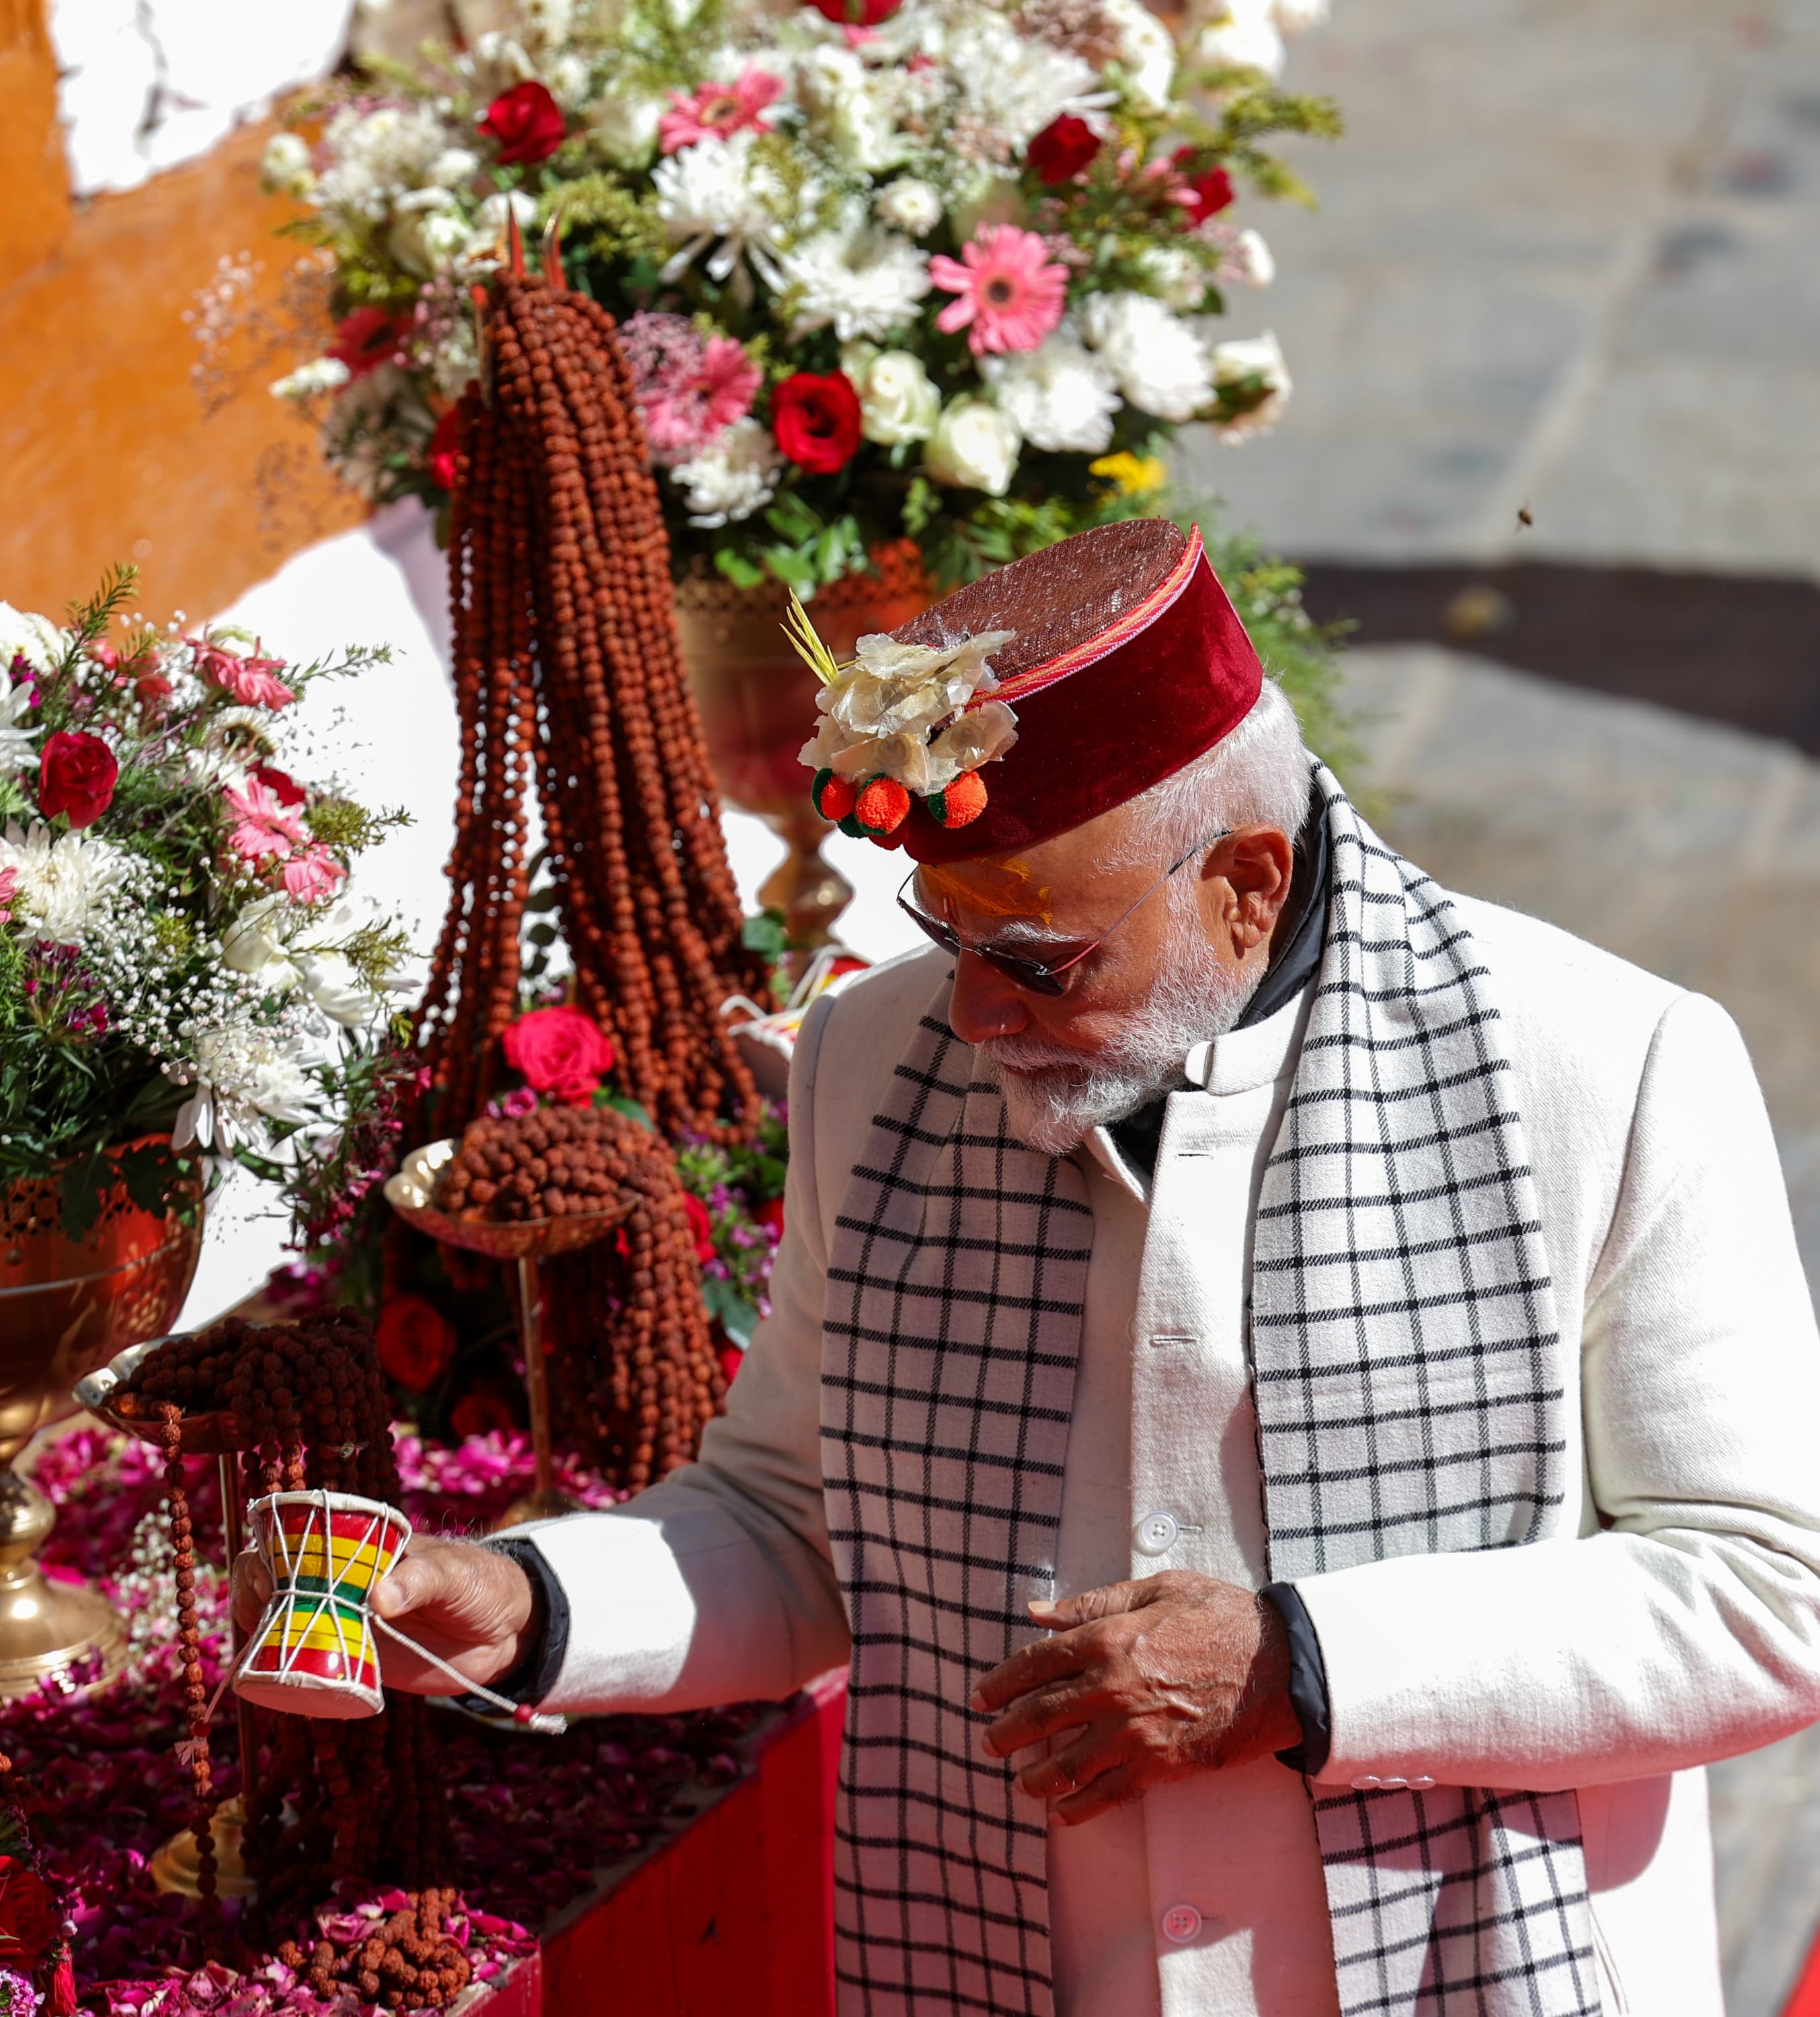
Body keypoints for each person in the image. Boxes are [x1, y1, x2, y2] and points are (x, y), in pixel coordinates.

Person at [238, 520, 1820, 2017]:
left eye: (1039, 962)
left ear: (1247, 883)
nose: (974, 1018)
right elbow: (797, 1525)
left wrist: (1304, 1668)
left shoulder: (1603, 1067)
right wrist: (523, 1601)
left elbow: (1771, 1598)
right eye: (949, 936)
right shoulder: (876, 1060)